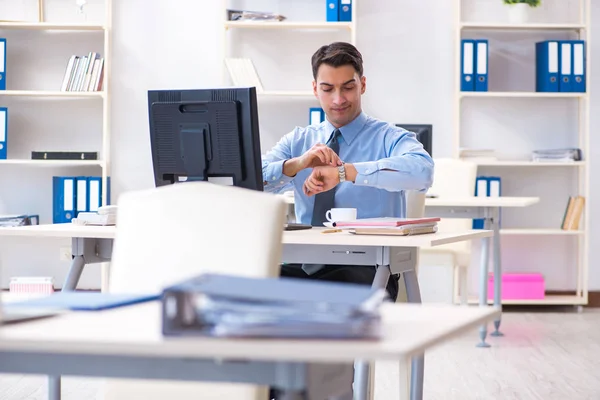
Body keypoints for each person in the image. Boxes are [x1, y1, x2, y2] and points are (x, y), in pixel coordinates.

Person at [261, 41, 434, 303]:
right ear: (315, 89)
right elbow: (252, 182)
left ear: (362, 85)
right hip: (306, 265)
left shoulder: (389, 137)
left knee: (316, 298)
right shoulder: (298, 141)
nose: (338, 99)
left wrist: (346, 173)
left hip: (369, 270)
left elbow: (423, 171)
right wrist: (296, 165)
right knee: (250, 285)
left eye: (348, 87)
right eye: (328, 89)